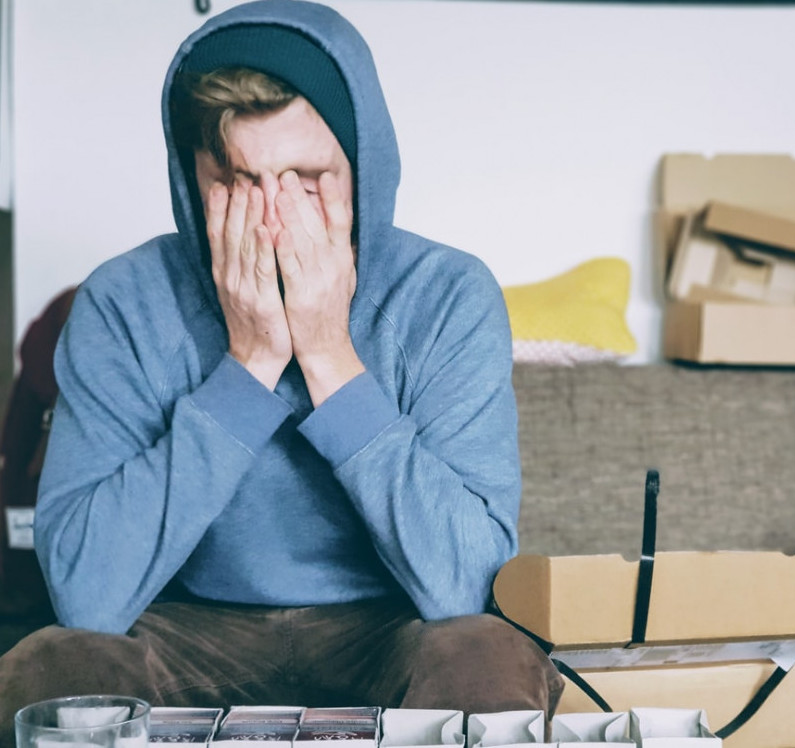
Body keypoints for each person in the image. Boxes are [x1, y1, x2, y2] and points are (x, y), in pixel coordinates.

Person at [0, 0, 562, 739]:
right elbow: (88, 597)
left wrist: (328, 354)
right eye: (235, 179)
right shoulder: (122, 301)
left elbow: (464, 587)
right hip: (187, 629)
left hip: (389, 628)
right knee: (51, 668)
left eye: (307, 176)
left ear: (363, 168)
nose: (271, 219)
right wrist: (251, 361)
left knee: (486, 656)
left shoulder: (447, 295)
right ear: (189, 176)